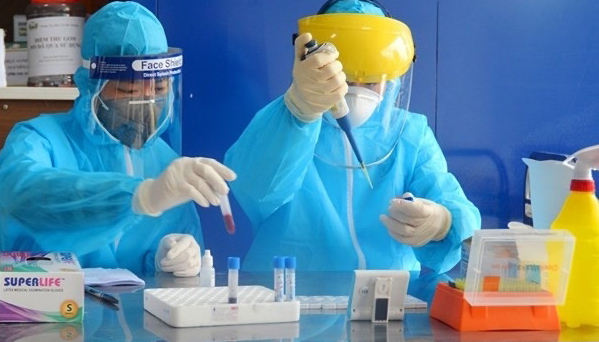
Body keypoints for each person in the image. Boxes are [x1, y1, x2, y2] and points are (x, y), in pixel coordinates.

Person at [225, 0, 481, 273]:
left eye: (370, 81)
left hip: (387, 299)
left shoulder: (410, 134)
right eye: (345, 79)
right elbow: (252, 187)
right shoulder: (285, 124)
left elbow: (454, 207)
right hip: (287, 296)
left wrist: (442, 223)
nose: (357, 92)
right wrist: (301, 111)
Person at [0, 1, 236, 277]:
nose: (146, 105)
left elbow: (146, 277)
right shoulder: (38, 140)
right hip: (41, 312)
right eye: (128, 90)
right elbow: (26, 196)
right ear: (91, 84)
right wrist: (139, 197)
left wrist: (166, 260)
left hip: (131, 320)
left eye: (159, 88)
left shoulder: (167, 165)